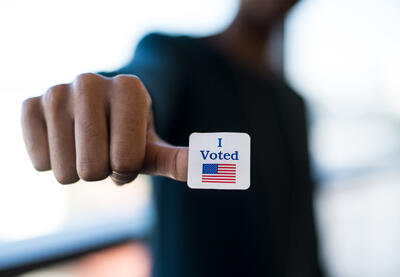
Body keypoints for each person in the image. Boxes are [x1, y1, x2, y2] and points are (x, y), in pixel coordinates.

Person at [21, 0, 325, 276]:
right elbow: (146, 79)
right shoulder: (177, 56)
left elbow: (302, 226)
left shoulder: (292, 103)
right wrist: (117, 101)